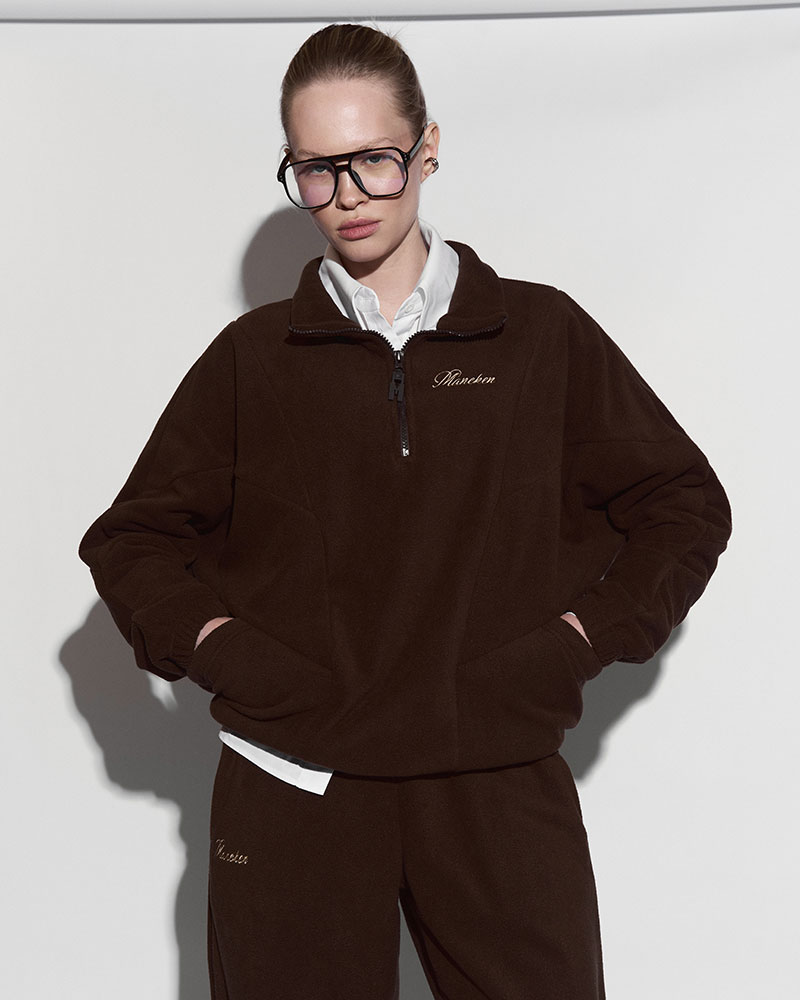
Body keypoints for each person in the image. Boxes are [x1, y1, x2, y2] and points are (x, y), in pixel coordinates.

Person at [79, 22, 731, 1000]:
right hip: (293, 779)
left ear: (427, 149)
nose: (345, 196)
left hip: (495, 769)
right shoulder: (253, 360)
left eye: (373, 161)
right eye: (314, 169)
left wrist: (574, 640)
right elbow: (131, 541)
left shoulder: (539, 336)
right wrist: (228, 651)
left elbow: (682, 504)